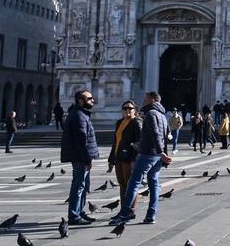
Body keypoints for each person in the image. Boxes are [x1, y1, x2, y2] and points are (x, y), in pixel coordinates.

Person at [111, 91, 170, 226]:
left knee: (133, 183)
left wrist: (161, 152)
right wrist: (162, 153)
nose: (143, 101)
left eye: (146, 99)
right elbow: (167, 135)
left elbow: (155, 133)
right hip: (156, 156)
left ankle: (125, 213)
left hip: (148, 153)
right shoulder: (162, 115)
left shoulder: (150, 114)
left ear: (153, 100)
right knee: (154, 184)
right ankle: (151, 215)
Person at [61, 90, 100, 226]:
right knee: (78, 186)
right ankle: (74, 216)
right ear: (80, 100)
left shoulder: (81, 114)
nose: (93, 100)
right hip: (80, 157)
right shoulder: (79, 116)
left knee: (82, 186)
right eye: (89, 98)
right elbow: (81, 141)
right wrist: (87, 160)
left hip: (81, 156)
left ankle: (79, 211)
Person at [107, 101, 142, 217]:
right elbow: (115, 141)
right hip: (119, 157)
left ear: (135, 111)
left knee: (130, 185)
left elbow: (138, 143)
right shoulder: (119, 123)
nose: (127, 110)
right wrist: (111, 159)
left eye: (130, 108)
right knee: (122, 184)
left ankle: (131, 209)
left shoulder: (136, 122)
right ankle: (123, 209)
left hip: (129, 159)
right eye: (124, 108)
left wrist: (134, 160)